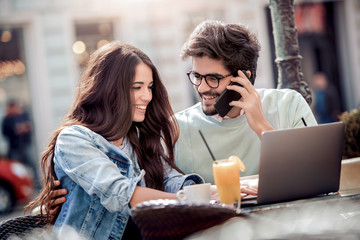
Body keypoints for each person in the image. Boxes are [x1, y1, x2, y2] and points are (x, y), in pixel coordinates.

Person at [26, 42, 205, 239]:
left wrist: (211, 192)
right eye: (137, 87)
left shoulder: (135, 137)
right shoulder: (74, 139)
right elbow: (121, 194)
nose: (147, 96)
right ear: (110, 89)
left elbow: (168, 178)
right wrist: (190, 201)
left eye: (150, 87)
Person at [174, 20, 318, 183]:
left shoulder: (289, 105)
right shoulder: (177, 128)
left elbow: (317, 174)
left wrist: (262, 127)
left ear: (243, 78)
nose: (201, 88)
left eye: (213, 78)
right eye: (197, 76)